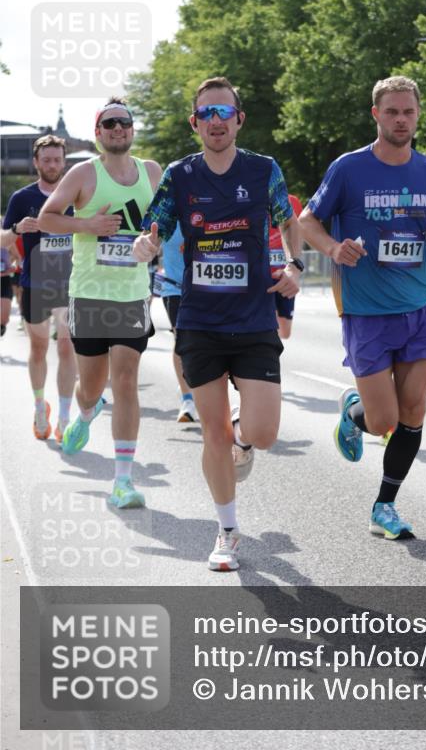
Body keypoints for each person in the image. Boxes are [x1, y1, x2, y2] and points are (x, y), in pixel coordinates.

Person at [132, 76, 302, 572]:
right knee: (212, 437)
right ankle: (227, 531)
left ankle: (243, 437)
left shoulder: (264, 170)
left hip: (252, 319)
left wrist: (294, 265)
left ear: (239, 119)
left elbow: (288, 221)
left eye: (224, 112)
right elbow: (154, 226)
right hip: (200, 320)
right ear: (195, 123)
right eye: (206, 114)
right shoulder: (181, 176)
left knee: (264, 433)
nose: (216, 121)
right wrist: (147, 245)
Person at [299, 76, 426, 541]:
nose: (401, 119)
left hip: (419, 306)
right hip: (366, 311)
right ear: (376, 114)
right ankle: (355, 413)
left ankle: (385, 505)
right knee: (385, 421)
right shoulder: (349, 168)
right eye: (392, 111)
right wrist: (334, 248)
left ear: (418, 116)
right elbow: (307, 220)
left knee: (414, 410)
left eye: (409, 112)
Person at [38, 99, 161, 508]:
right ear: (98, 131)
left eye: (125, 122)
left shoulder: (152, 173)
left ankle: (122, 481)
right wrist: (86, 225)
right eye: (109, 123)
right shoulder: (82, 173)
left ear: (132, 129)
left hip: (132, 294)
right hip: (89, 294)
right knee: (91, 387)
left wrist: (154, 243)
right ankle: (87, 411)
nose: (118, 128)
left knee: (125, 379)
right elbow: (47, 217)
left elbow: (169, 223)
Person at [1, 136, 77, 441]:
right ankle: (38, 406)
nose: (52, 165)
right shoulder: (22, 198)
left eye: (57, 159)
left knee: (66, 346)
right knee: (39, 349)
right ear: (36, 162)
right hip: (35, 284)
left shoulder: (76, 194)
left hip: (70, 284)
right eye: (46, 160)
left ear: (64, 162)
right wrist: (18, 229)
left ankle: (63, 416)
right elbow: (3, 240)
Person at [153, 221, 198, 423]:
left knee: (205, 343)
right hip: (174, 287)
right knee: (182, 340)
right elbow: (149, 238)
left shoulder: (210, 206)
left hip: (207, 287)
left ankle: (199, 390)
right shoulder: (169, 209)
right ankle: (187, 399)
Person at [269, 193, 303, 339]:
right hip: (261, 273)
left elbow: (300, 230)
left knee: (285, 331)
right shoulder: (250, 195)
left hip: (284, 273)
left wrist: (295, 266)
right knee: (267, 324)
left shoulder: (292, 201)